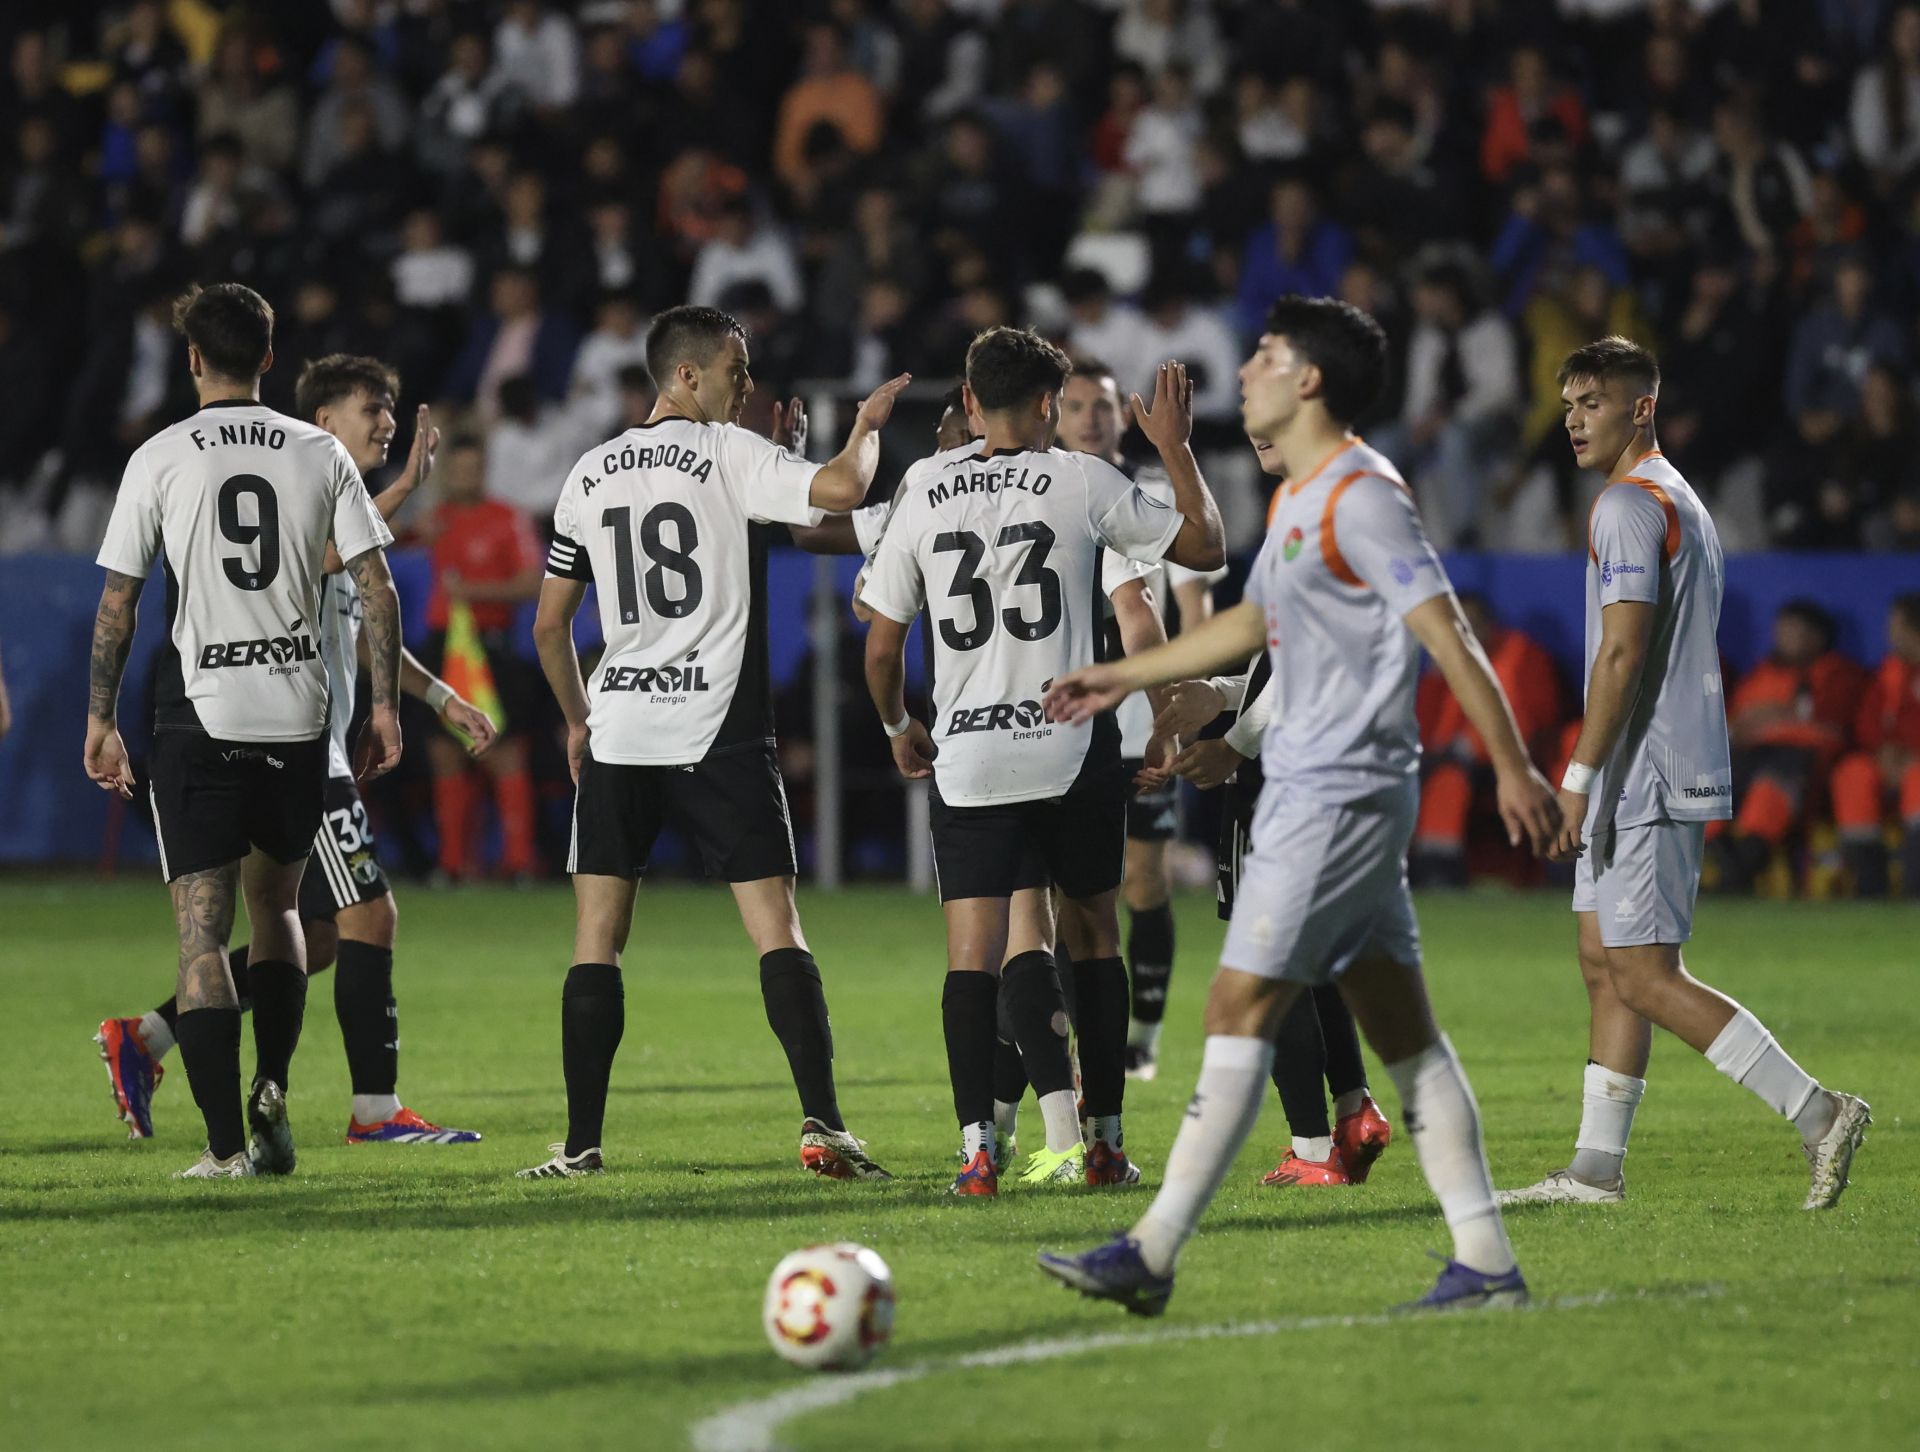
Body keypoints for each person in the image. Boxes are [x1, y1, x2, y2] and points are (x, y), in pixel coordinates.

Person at [1036, 295, 1559, 1316]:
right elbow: (1246, 627)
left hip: (1339, 793)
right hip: (1323, 786)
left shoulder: (1363, 494)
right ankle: (1488, 1263)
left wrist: (1514, 767)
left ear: (1309, 380)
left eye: (1268, 355)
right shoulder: (1301, 499)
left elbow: (1448, 634)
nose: (1248, 368)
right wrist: (1139, 693)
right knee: (1407, 1037)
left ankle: (1151, 1250)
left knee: (1238, 1005)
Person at [523, 303, 909, 1180]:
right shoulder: (730, 454)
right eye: (736, 367)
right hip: (721, 722)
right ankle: (824, 1127)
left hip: (621, 726)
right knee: (777, 930)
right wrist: (865, 429)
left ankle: (581, 1147)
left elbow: (552, 626)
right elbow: (843, 493)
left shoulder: (589, 473)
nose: (747, 381)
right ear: (686, 374)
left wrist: (579, 717)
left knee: (596, 938)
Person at [1499, 337, 1870, 1210]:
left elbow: (1622, 654)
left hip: (1643, 770)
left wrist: (1579, 775)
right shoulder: (1673, 499)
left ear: (1641, 407)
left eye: (1592, 401)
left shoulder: (1629, 506)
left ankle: (1820, 1113)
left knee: (1646, 972)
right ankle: (1594, 1171)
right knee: (1604, 961)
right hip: (1643, 766)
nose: (1574, 420)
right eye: (1566, 405)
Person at [860, 328, 1226, 1196]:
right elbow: (1205, 549)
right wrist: (1174, 448)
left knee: (972, 957)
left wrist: (896, 724)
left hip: (969, 752)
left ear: (972, 401)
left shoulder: (922, 485)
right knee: (1094, 938)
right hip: (1070, 748)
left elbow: (881, 648)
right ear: (1047, 407)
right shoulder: (1083, 479)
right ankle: (1100, 1144)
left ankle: (978, 1153)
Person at [95, 355, 496, 1147]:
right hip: (295, 746)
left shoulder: (330, 506)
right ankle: (375, 1111)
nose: (387, 421)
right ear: (323, 424)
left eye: (389, 406)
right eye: (371, 407)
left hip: (303, 745)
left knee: (306, 939)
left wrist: (440, 696)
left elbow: (357, 620)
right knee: (369, 918)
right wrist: (403, 492)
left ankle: (145, 1037)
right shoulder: (303, 495)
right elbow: (317, 560)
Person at [84, 283, 403, 1179]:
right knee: (280, 913)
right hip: (297, 720)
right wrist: (380, 709)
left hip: (202, 715)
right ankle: (273, 1086)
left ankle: (225, 1148)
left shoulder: (159, 456)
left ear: (193, 360)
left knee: (200, 934)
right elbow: (377, 586)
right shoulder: (318, 452)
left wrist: (101, 718)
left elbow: (120, 604)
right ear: (270, 359)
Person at [1151, 455, 1393, 1192]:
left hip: (1287, 785)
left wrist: (1234, 742)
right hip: (1322, 782)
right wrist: (1221, 697)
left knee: (1267, 972)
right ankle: (1353, 1111)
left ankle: (1313, 1151)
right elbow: (1277, 663)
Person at [418, 439, 545, 882]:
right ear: (446, 473)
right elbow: (375, 530)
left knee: (503, 751)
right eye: (457, 469)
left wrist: (471, 592)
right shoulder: (436, 520)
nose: (465, 477)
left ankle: (517, 863)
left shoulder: (508, 518)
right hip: (443, 646)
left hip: (491, 647)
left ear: (484, 469)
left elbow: (533, 583)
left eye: (473, 468)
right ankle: (454, 864)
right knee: (444, 751)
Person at [1708, 600, 1867, 894]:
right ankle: (1729, 867)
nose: (1783, 637)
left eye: (1793, 630)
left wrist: (1774, 725)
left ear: (1817, 636)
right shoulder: (1760, 675)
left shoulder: (1836, 675)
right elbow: (1730, 728)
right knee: (1705, 777)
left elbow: (1831, 734)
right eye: (1781, 629)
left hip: (1803, 767)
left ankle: (1736, 876)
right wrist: (1752, 727)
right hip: (1745, 758)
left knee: (1773, 781)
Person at [1830, 593, 1920, 897]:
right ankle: (1870, 888)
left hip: (1915, 764)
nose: (1889, 633)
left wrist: (1910, 754)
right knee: (1853, 774)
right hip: (1887, 762)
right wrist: (1883, 751)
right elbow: (1867, 723)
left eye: (1896, 625)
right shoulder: (1888, 672)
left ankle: (1915, 888)